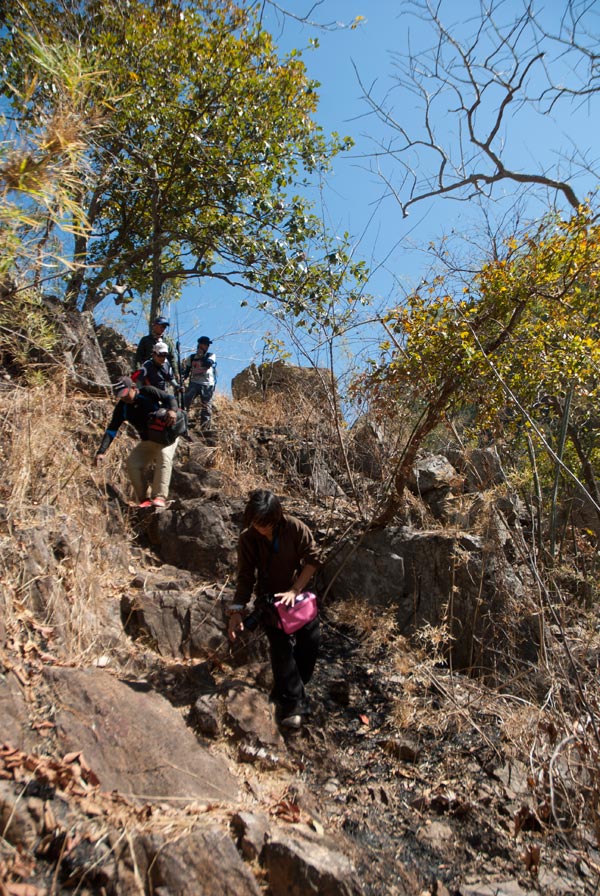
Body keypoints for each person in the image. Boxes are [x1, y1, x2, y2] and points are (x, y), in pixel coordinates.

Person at [227, 489, 321, 730]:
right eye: (258, 524)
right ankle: (295, 706)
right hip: (269, 603)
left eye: (268, 523)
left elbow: (313, 559)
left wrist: (295, 590)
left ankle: (285, 692)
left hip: (297, 601)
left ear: (277, 516)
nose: (263, 529)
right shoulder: (248, 539)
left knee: (309, 646)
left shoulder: (294, 527)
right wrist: (237, 611)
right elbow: (245, 577)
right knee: (280, 651)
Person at [94, 376, 180, 508]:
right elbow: (112, 430)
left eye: (126, 393)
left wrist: (172, 410)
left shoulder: (148, 392)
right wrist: (101, 451)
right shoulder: (122, 407)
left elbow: (169, 398)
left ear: (133, 388)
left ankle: (159, 497)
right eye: (121, 395)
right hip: (149, 440)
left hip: (167, 436)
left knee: (164, 456)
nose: (124, 398)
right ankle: (144, 498)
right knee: (132, 463)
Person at [181, 336, 216, 430]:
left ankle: (205, 428)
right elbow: (187, 371)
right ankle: (182, 421)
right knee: (186, 401)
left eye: (207, 345)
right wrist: (181, 379)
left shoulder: (211, 355)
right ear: (200, 344)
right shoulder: (191, 358)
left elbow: (208, 364)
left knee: (206, 405)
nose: (207, 346)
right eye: (205, 344)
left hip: (207, 384)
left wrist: (201, 356)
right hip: (194, 382)